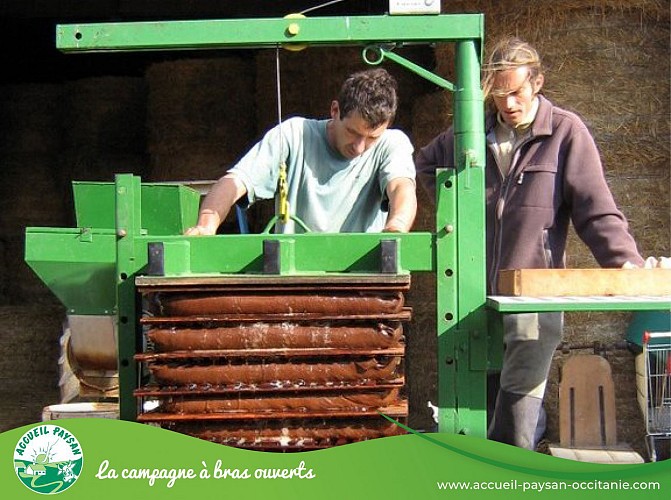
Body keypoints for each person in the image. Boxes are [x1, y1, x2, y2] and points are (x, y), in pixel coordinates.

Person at [415, 37, 644, 449]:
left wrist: (624, 261)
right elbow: (426, 163)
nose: (508, 104)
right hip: (472, 298)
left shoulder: (564, 132)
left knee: (517, 419)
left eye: (517, 92)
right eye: (499, 95)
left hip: (533, 301)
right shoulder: (469, 134)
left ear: (537, 82)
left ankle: (512, 480)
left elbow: (595, 208)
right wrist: (455, 207)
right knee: (474, 412)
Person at [186, 67, 416, 235]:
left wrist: (396, 228)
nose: (359, 147)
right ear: (335, 110)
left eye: (371, 138)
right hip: (294, 282)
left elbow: (400, 187)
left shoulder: (392, 144)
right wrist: (206, 224)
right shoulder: (294, 134)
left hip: (363, 284)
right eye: (353, 132)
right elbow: (236, 181)